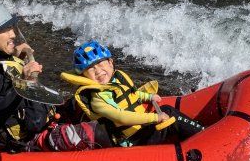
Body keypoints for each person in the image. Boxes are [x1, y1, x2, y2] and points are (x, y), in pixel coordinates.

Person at [0, 3, 108, 152]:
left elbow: (2, 72)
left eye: (11, 28)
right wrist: (24, 82)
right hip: (28, 138)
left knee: (87, 101)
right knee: (100, 132)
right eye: (4, 30)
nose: (12, 34)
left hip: (37, 115)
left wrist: (14, 52)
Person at [62, 40, 204, 147]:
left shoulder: (117, 79)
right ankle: (205, 136)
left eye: (100, 64)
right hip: (133, 141)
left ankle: (197, 134)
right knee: (169, 113)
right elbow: (121, 117)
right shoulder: (97, 99)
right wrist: (155, 117)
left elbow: (132, 94)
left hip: (140, 130)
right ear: (84, 76)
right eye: (91, 69)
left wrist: (148, 97)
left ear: (110, 62)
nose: (98, 71)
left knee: (167, 112)